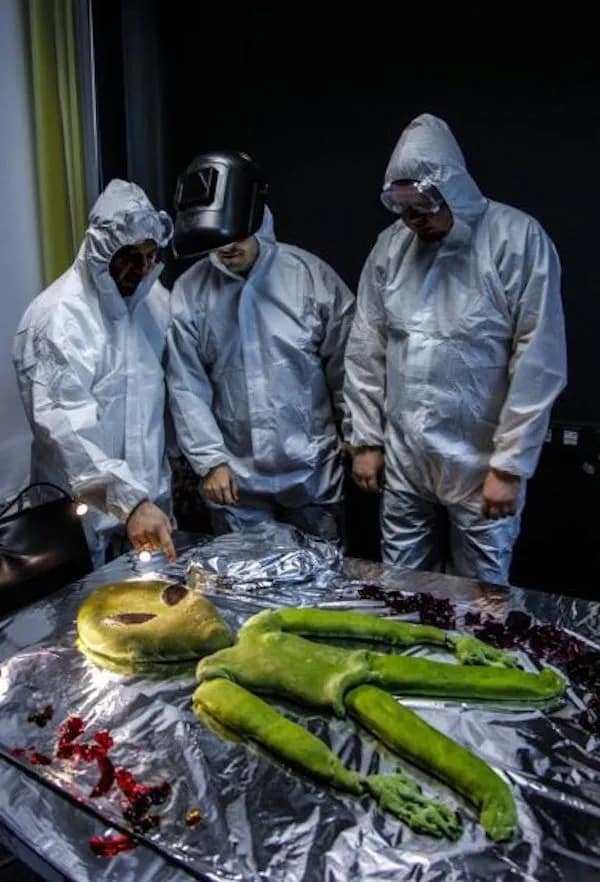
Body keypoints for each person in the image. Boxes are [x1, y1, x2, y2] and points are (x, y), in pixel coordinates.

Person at [344, 113, 567, 583]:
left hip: (479, 460)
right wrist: (365, 439)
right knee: (403, 586)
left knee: (482, 596)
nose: (414, 221)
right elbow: (367, 346)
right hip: (406, 459)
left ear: (452, 190)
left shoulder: (516, 240)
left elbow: (538, 360)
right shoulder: (390, 249)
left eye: (423, 207)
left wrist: (510, 465)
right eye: (403, 210)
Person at [167, 200, 355, 542]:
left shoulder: (308, 277)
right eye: (218, 234)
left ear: (259, 224)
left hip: (311, 469)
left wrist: (358, 437)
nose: (228, 245)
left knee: (321, 583)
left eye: (238, 232)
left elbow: (348, 364)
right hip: (236, 477)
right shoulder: (191, 292)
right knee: (244, 587)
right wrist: (210, 461)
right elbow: (186, 385)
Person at [13, 179, 176, 567]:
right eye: (130, 256)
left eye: (150, 254)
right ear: (101, 251)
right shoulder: (59, 317)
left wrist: (148, 499)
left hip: (147, 513)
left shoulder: (155, 305)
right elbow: (65, 427)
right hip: (80, 523)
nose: (142, 268)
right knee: (80, 620)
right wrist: (128, 500)